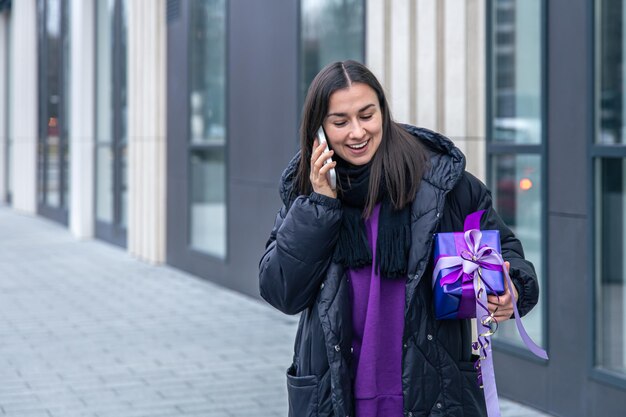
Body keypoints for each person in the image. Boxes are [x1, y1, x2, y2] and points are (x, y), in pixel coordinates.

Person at [258, 60, 538, 417]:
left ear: (383, 112)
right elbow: (282, 291)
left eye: (367, 115)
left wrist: (512, 287)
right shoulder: (307, 188)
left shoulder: (442, 181)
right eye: (340, 122)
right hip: (338, 396)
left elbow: (508, 250)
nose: (357, 132)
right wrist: (319, 205)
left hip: (432, 393)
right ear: (320, 130)